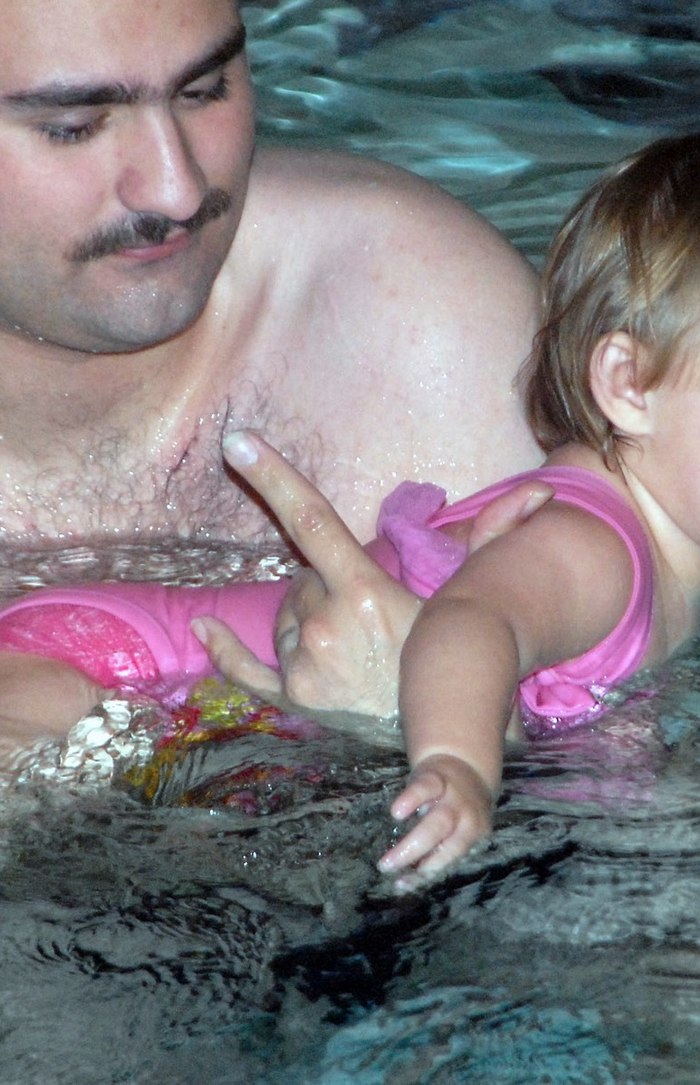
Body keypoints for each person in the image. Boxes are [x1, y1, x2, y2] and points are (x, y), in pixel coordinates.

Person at [0, 132, 700, 886]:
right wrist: (461, 768)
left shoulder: (674, 543)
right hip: (95, 658)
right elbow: (470, 624)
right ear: (630, 384)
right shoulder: (594, 548)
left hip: (159, 684)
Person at [0, 0, 546, 746]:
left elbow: (646, 798)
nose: (177, 189)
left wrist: (454, 729)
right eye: (74, 126)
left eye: (204, 90)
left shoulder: (420, 332)